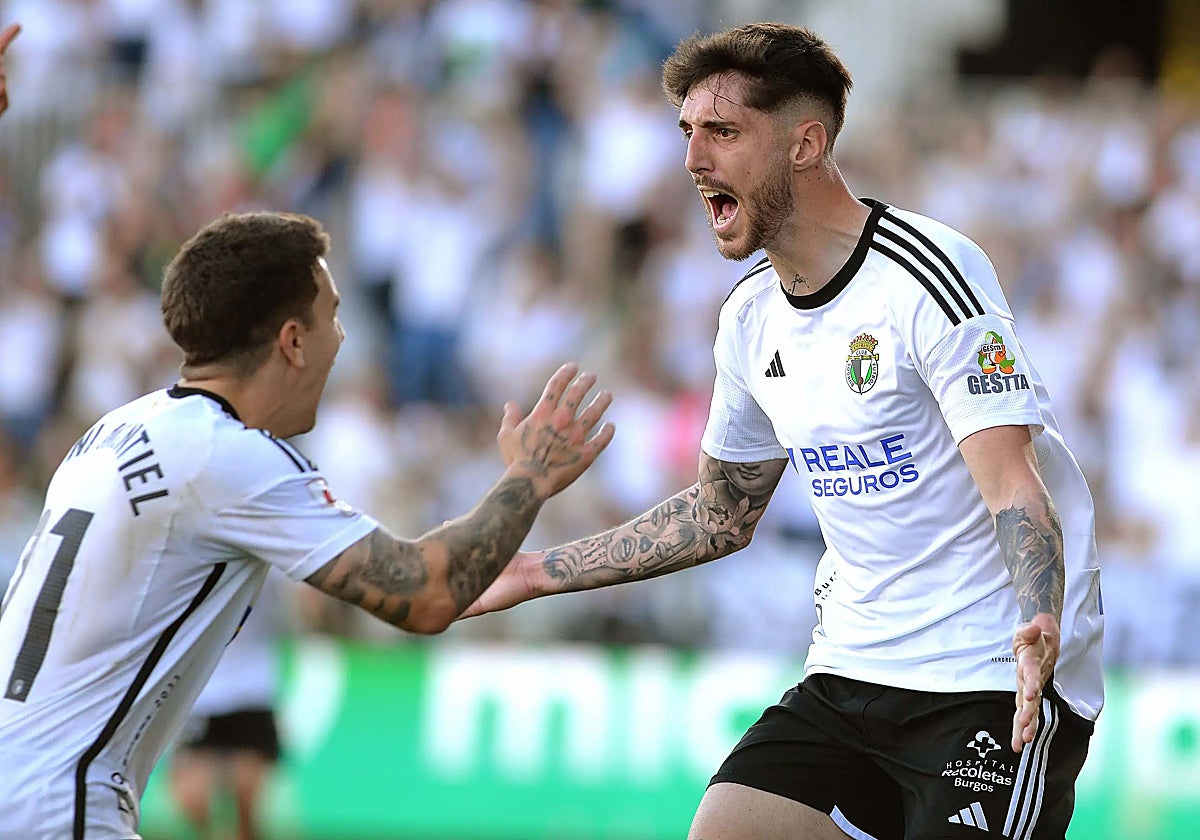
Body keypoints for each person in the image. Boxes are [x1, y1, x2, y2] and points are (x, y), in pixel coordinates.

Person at [461, 22, 1103, 840]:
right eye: (688, 132)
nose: (694, 159)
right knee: (727, 829)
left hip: (988, 671)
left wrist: (1040, 620)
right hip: (853, 667)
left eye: (723, 132)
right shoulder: (749, 318)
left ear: (806, 143)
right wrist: (535, 569)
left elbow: (1016, 485)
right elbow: (720, 514)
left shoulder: (929, 274)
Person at [0, 210, 614, 839]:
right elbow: (426, 593)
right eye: (334, 315)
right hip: (59, 808)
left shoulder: (114, 429)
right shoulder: (228, 456)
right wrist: (530, 476)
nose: (343, 339)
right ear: (293, 340)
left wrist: (481, 568)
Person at [168, 571, 290, 840]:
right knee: (193, 798)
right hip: (201, 691)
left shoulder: (274, 551)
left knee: (246, 797)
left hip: (253, 688)